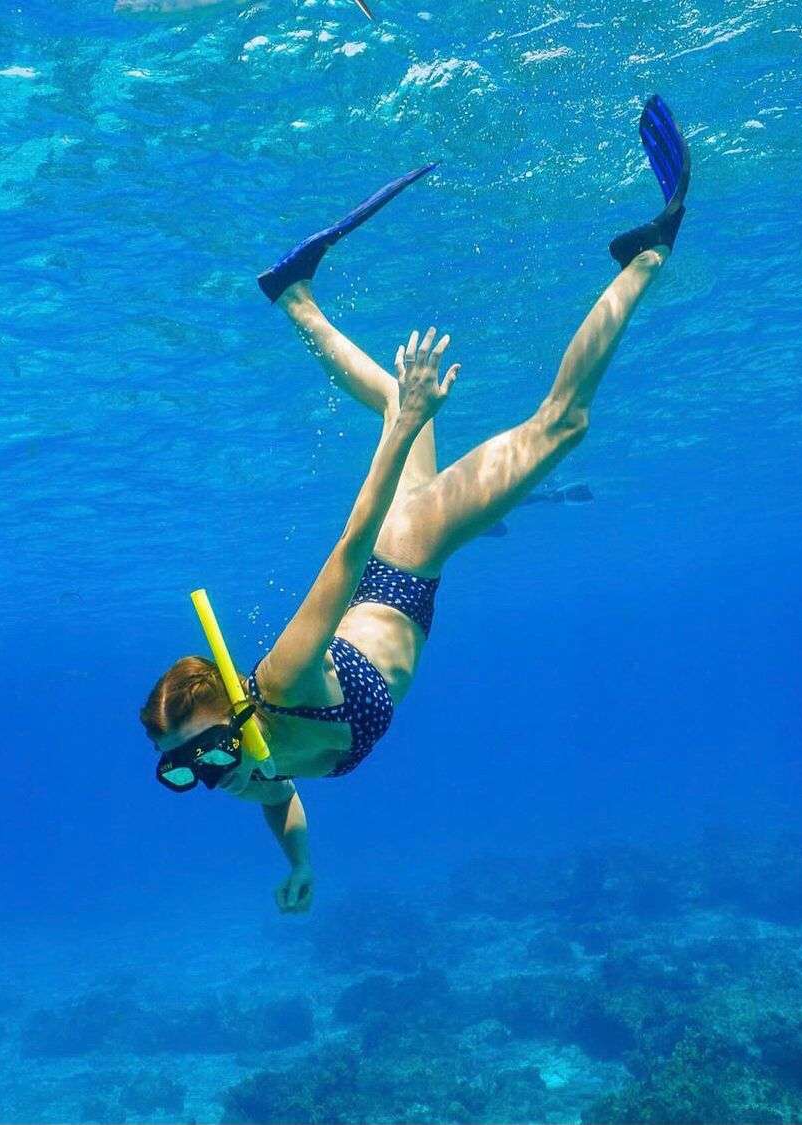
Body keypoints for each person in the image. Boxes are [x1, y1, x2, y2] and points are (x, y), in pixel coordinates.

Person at [140, 95, 691, 913]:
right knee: (403, 404)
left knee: (561, 425)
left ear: (236, 707)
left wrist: (402, 433)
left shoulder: (283, 677)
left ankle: (645, 254)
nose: (211, 772)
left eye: (210, 748)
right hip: (395, 578)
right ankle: (294, 297)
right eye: (185, 769)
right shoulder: (248, 767)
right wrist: (300, 862)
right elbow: (278, 796)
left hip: (402, 560)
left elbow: (351, 548)